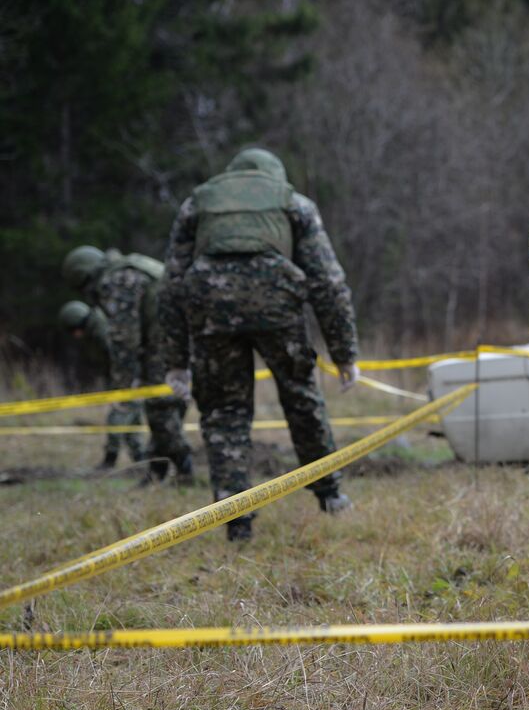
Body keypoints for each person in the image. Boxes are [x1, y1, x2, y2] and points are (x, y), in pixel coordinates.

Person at [161, 147, 360, 542]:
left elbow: (171, 285)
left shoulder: (197, 203)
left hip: (211, 305)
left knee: (224, 413)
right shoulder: (294, 202)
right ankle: (331, 496)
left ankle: (237, 522)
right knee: (301, 398)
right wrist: (344, 353)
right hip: (277, 303)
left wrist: (176, 361)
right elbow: (327, 282)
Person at [60, 247, 193, 484]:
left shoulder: (117, 280)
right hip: (182, 336)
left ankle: (183, 469)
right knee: (166, 405)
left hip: (166, 343)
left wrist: (122, 387)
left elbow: (125, 340)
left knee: (160, 408)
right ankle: (157, 470)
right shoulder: (134, 265)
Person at [58, 300, 145, 469]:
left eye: (74, 330)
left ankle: (111, 459)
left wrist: (122, 382)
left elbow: (120, 357)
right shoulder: (97, 327)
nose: (76, 335)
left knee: (118, 414)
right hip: (125, 378)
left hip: (126, 378)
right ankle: (140, 457)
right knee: (131, 415)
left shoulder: (101, 331)